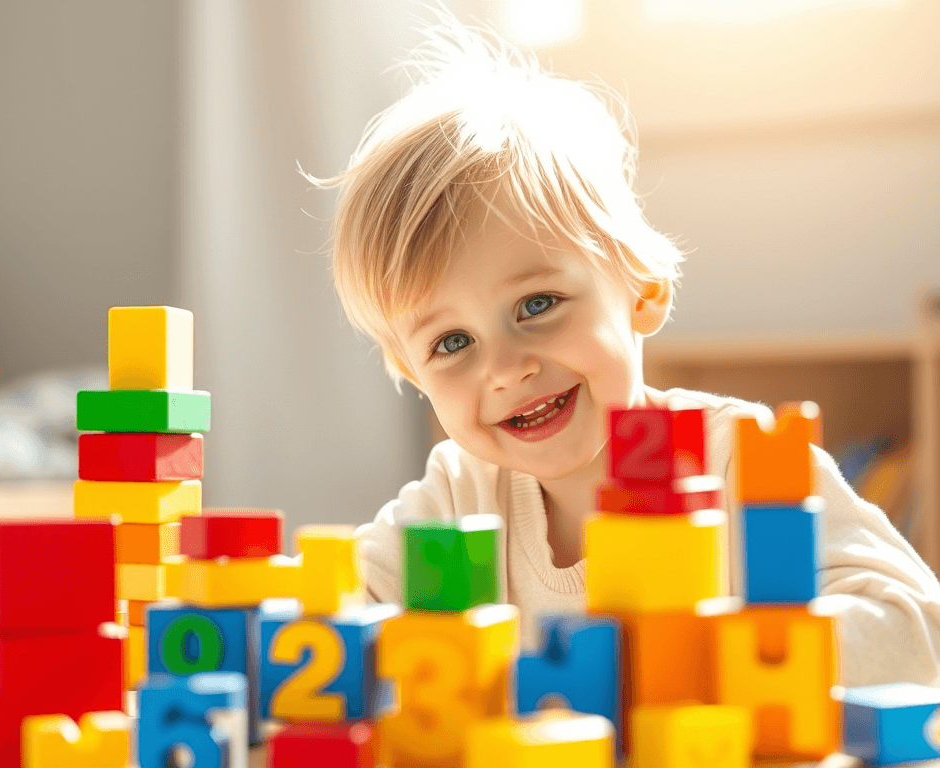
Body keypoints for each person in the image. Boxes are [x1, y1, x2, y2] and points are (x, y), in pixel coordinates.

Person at [309, 11, 940, 687]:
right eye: (452, 343)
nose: (505, 368)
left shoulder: (737, 458)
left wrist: (703, 652)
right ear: (412, 373)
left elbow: (916, 632)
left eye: (537, 305)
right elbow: (334, 629)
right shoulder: (456, 498)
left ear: (642, 291)